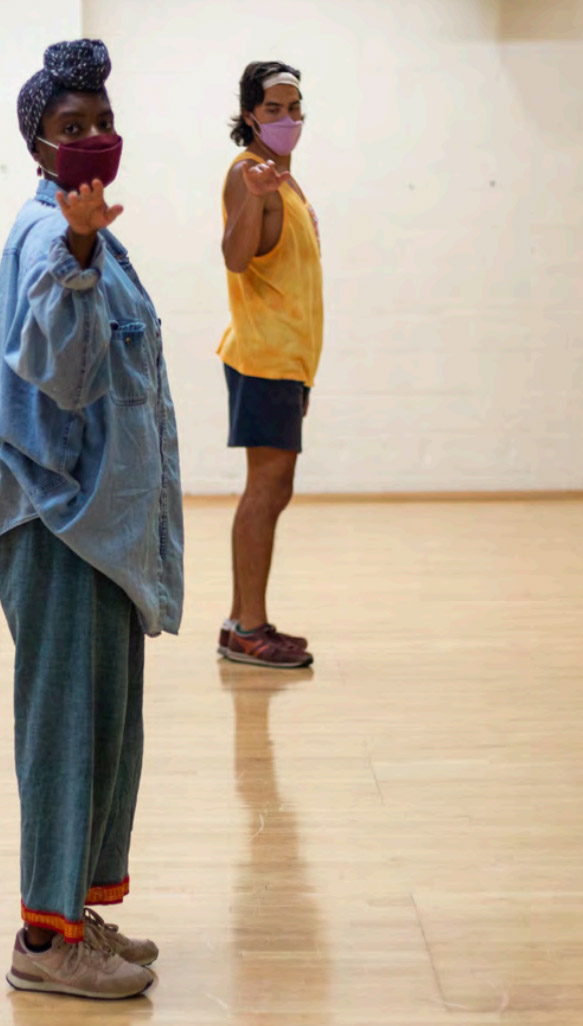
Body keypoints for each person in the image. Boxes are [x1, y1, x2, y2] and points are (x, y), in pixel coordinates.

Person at [0, 38, 182, 1000]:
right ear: (38, 144)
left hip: (95, 523)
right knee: (63, 725)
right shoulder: (47, 236)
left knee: (101, 723)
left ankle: (74, 911)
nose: (93, 137)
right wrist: (83, 247)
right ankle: (45, 941)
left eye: (102, 120)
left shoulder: (88, 230)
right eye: (72, 128)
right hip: (56, 520)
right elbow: (55, 371)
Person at [217, 61, 321, 669]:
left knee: (273, 489)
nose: (287, 119)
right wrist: (252, 201)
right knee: (265, 490)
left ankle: (241, 624)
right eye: (274, 109)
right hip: (263, 356)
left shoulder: (285, 178)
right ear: (250, 113)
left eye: (294, 108)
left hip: (288, 359)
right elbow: (235, 257)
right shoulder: (247, 175)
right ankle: (248, 628)